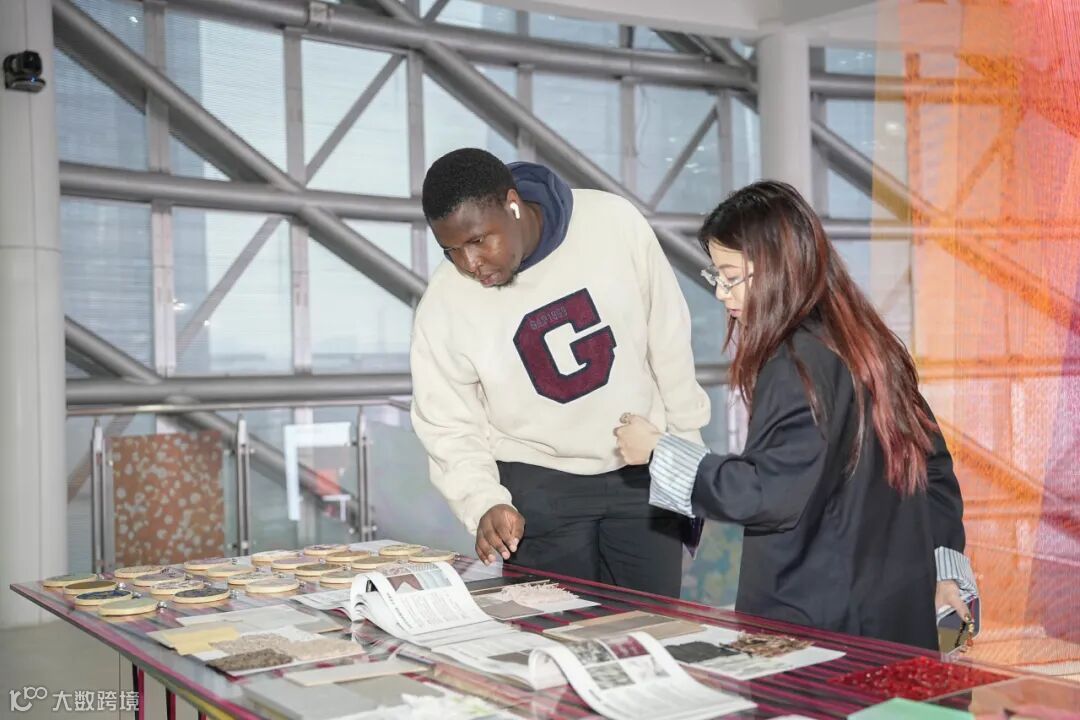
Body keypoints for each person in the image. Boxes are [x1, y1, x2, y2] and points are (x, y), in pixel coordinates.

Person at [614, 180, 977, 649]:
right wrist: (945, 570)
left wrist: (658, 452)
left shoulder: (796, 363)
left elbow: (768, 492)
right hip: (894, 611)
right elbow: (933, 469)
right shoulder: (868, 344)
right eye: (716, 276)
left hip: (820, 625)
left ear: (778, 268)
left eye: (730, 276)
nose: (721, 293)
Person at [410, 148, 710, 597]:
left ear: (513, 205)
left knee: (653, 629)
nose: (469, 264)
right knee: (551, 632)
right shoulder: (444, 301)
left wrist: (686, 456)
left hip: (641, 472)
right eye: (451, 250)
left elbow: (668, 343)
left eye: (478, 241)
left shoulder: (613, 223)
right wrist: (484, 501)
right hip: (536, 488)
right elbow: (447, 424)